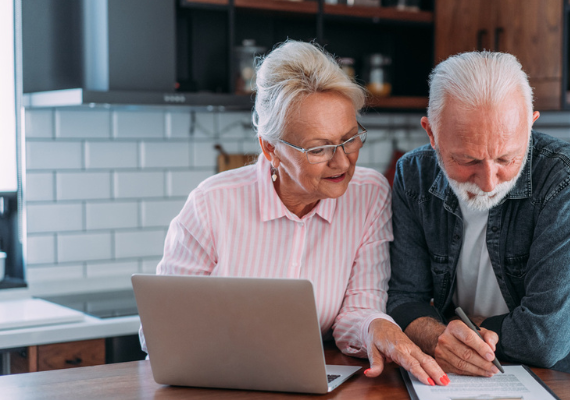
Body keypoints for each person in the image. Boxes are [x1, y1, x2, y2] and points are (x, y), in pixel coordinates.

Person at [139, 40, 449, 387]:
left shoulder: (369, 194)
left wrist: (378, 327)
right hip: (219, 385)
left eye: (350, 139)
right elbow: (160, 332)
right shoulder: (212, 204)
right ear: (270, 148)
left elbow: (357, 311)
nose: (342, 161)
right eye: (318, 149)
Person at [387, 51, 570, 387]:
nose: (489, 182)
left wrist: (459, 326)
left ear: (530, 124)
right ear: (431, 134)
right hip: (475, 376)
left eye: (507, 158)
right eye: (467, 160)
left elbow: (545, 339)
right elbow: (405, 299)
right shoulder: (412, 174)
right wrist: (439, 338)